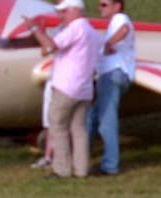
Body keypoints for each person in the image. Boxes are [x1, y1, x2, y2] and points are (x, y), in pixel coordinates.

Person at [23, 0, 101, 179]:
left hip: (67, 86)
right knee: (79, 129)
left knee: (57, 125)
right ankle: (81, 170)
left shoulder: (74, 29)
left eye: (64, 11)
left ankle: (62, 169)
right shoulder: (93, 33)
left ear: (75, 10)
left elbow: (49, 47)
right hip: (85, 88)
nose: (61, 15)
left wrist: (35, 29)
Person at [86, 0, 134, 176]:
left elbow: (124, 30)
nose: (100, 8)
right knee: (91, 117)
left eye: (104, 4)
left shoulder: (120, 19)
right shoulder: (116, 22)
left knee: (107, 122)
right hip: (114, 75)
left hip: (113, 75)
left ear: (117, 6)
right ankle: (82, 157)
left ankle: (109, 166)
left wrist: (108, 44)